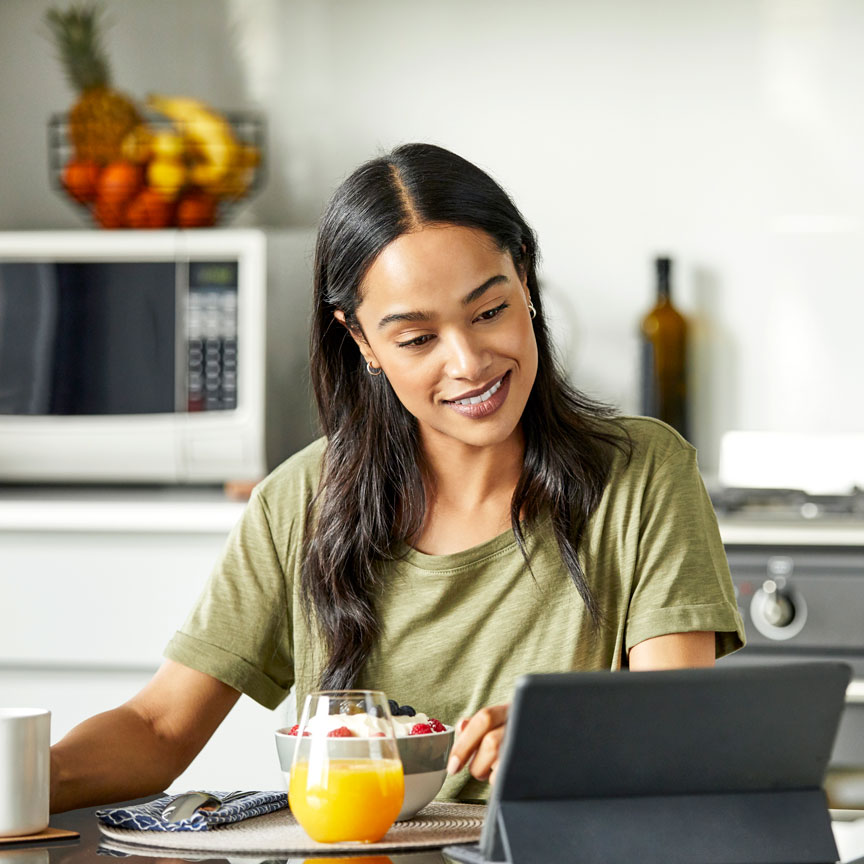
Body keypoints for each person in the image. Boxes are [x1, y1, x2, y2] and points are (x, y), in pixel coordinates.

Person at [49, 143, 744, 813]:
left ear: (525, 279)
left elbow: (673, 724)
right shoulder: (299, 501)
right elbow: (160, 727)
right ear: (360, 340)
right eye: (417, 338)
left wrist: (572, 738)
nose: (469, 362)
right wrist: (26, 778)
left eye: (490, 311)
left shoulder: (644, 473)